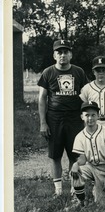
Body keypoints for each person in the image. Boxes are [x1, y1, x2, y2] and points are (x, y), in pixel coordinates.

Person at [38, 39, 88, 197]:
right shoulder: (48, 72)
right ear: (54, 55)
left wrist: (86, 118)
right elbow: (42, 99)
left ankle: (75, 188)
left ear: (71, 54)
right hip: (54, 118)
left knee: (75, 154)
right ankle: (58, 190)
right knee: (55, 155)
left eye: (66, 52)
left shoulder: (78, 72)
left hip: (74, 118)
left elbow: (86, 95)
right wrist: (43, 122)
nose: (62, 55)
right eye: (59, 52)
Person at [69, 101, 105, 208]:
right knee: (76, 172)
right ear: (82, 116)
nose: (90, 118)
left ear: (98, 116)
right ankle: (79, 200)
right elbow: (82, 158)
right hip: (91, 166)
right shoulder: (80, 136)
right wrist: (76, 164)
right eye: (87, 115)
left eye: (93, 115)